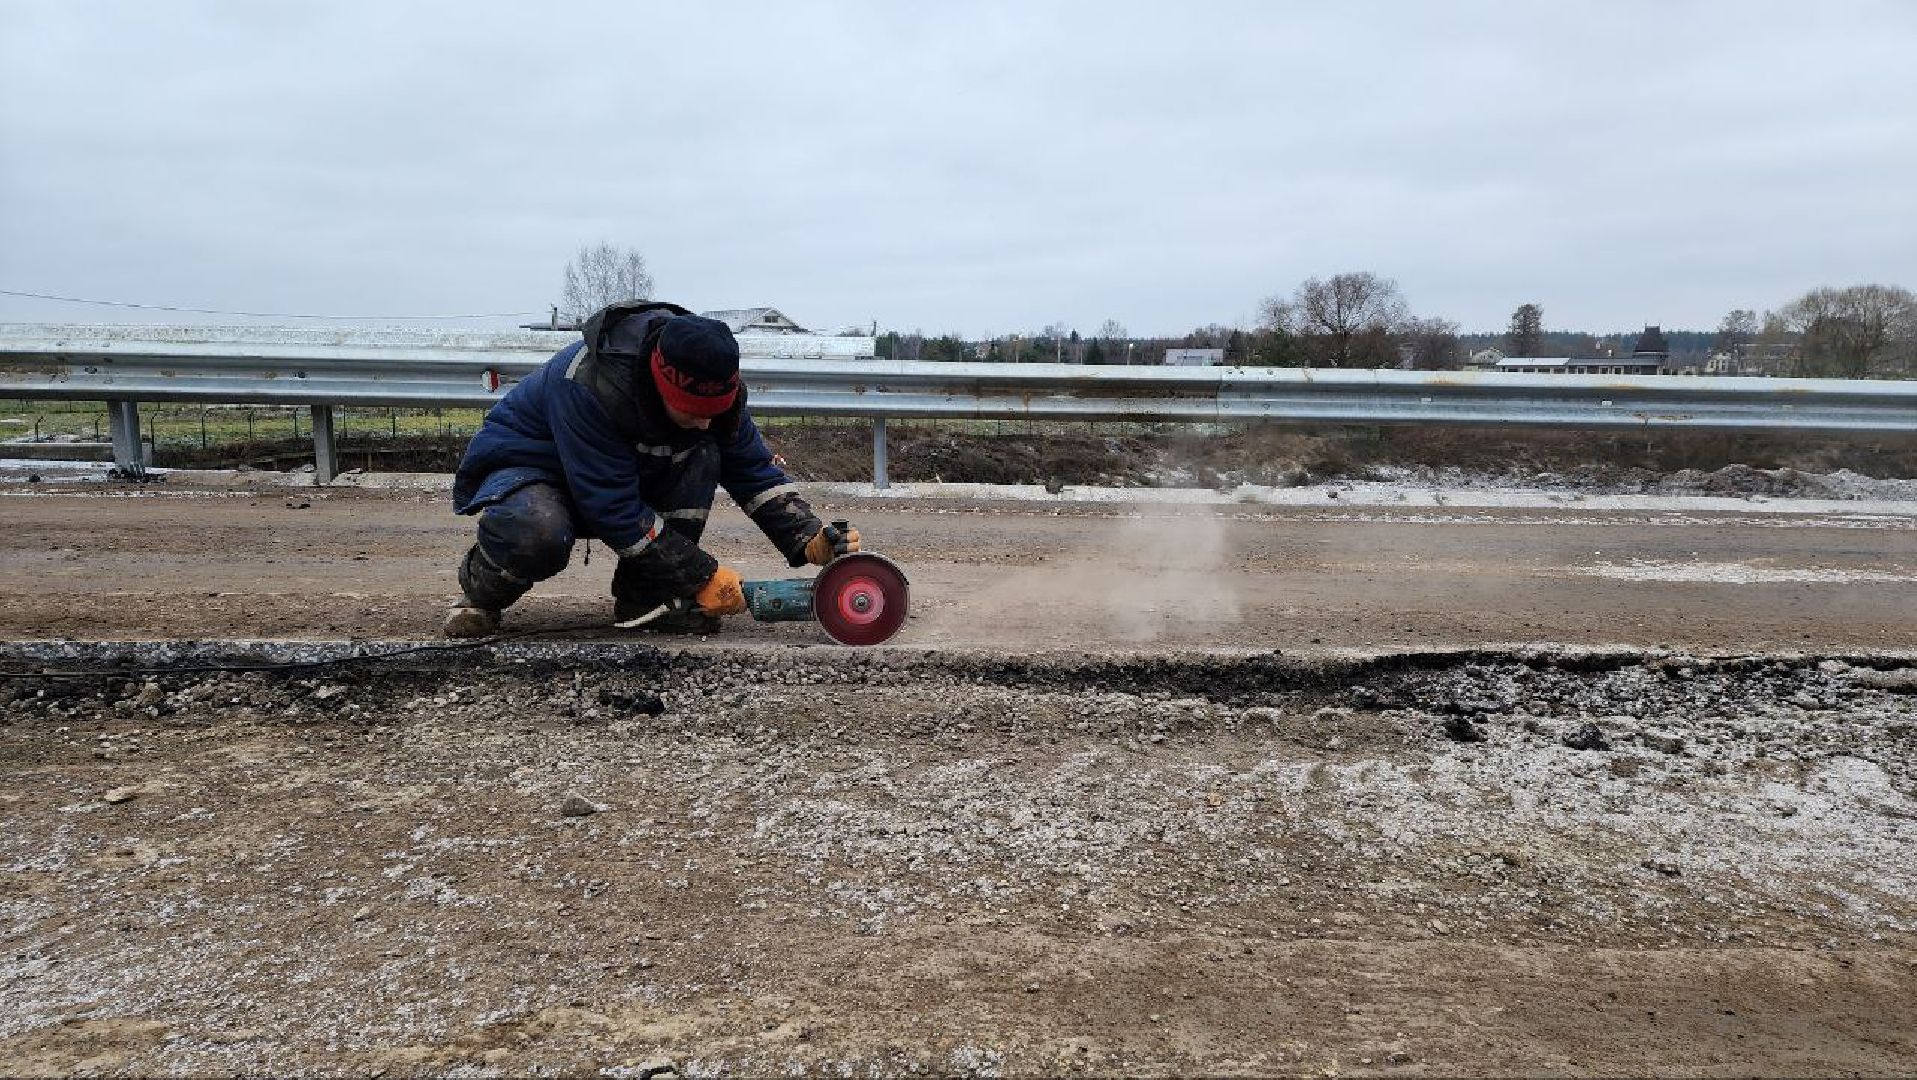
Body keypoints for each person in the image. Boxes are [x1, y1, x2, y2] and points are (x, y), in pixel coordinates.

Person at [443, 300, 858, 637]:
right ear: (661, 384)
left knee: (701, 452)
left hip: (614, 474)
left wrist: (807, 537)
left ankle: (647, 598)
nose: (705, 422)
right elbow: (611, 506)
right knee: (539, 530)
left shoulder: (712, 383)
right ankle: (480, 596)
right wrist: (702, 577)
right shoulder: (589, 383)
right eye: (692, 411)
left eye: (713, 412)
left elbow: (752, 469)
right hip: (534, 467)